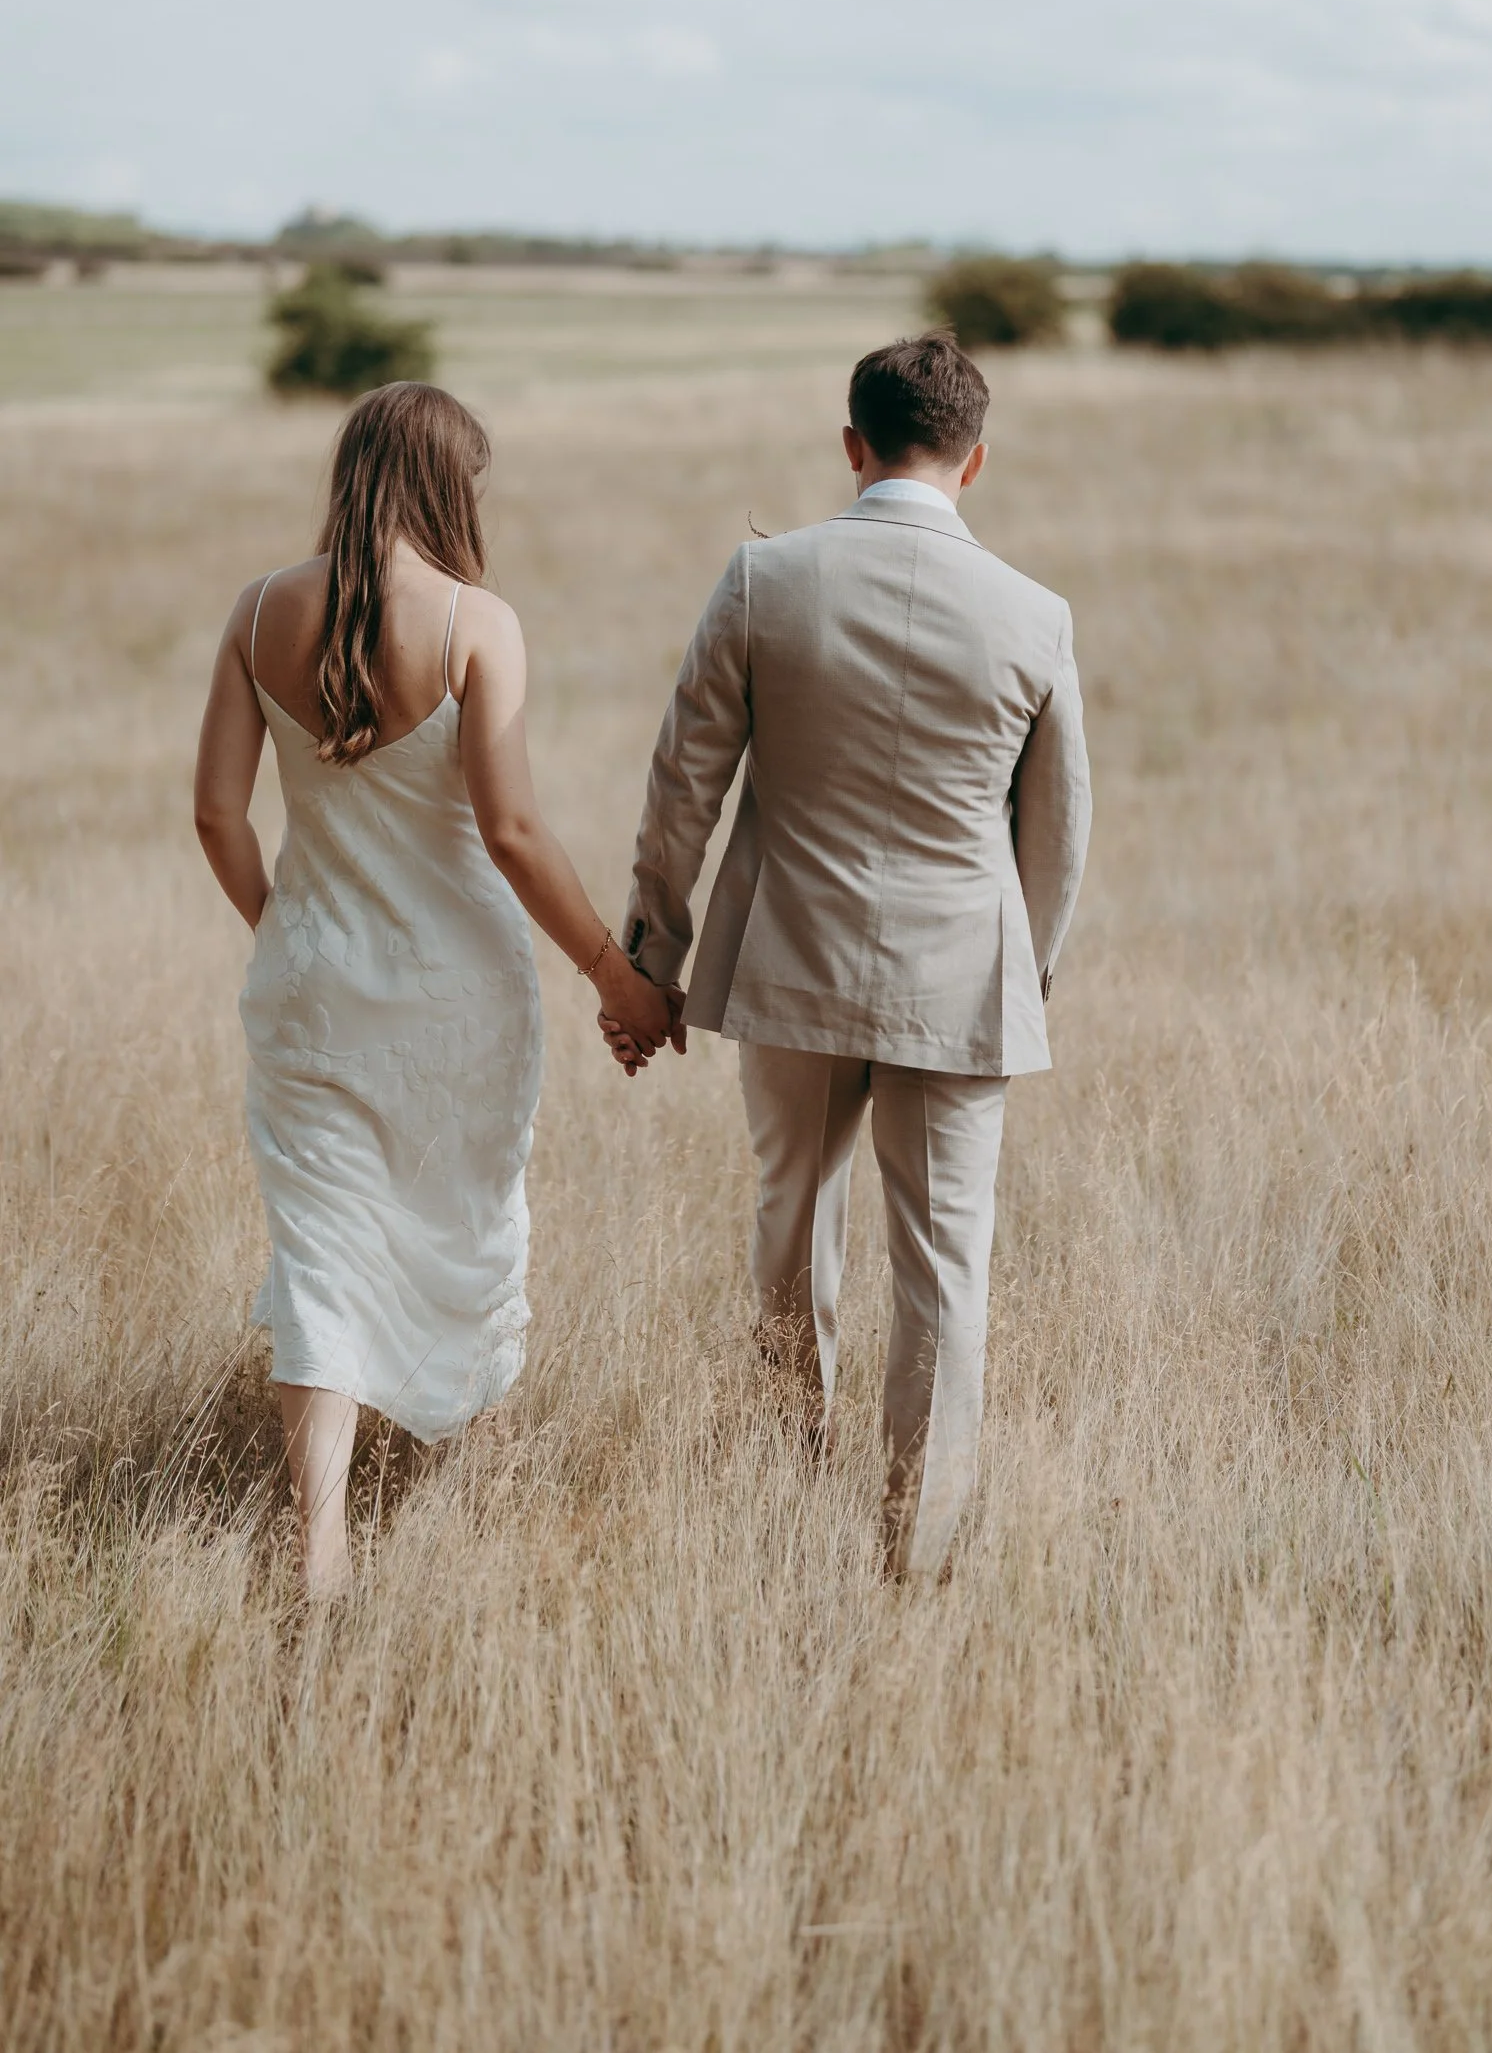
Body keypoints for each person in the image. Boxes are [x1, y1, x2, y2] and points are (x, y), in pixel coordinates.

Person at [607, 334, 1092, 1578]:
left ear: (850, 443)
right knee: (944, 1270)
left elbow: (683, 786)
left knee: (790, 1228)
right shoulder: (1035, 617)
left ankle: (782, 1498)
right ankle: (914, 1554)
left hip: (787, 967)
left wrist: (652, 956)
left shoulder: (768, 578)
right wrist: (1016, 979)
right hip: (962, 983)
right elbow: (1058, 835)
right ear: (974, 459)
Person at [194, 381, 673, 1597]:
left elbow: (215, 812)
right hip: (459, 993)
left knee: (321, 1245)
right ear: (450, 485)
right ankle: (464, 1469)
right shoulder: (475, 622)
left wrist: (287, 928)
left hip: (310, 988)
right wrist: (616, 978)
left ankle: (315, 1540)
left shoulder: (258, 613)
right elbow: (510, 830)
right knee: (463, 1218)